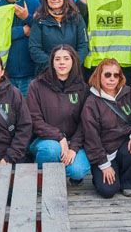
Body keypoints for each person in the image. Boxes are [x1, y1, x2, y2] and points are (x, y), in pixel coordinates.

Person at [81, 59, 131, 198]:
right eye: (107, 75)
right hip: (105, 152)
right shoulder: (91, 102)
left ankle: (129, 183)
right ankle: (107, 174)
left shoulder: (129, 93)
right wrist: (104, 165)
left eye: (116, 75)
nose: (112, 79)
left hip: (125, 146)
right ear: (99, 76)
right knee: (108, 191)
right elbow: (91, 137)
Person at [26, 45, 91, 183]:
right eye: (57, 59)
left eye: (66, 59)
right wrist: (59, 137)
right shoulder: (36, 85)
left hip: (74, 141)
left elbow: (85, 122)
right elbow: (34, 119)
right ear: (52, 62)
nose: (62, 62)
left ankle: (57, 169)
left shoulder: (82, 88)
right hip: (45, 140)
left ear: (73, 61)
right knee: (51, 150)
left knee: (78, 171)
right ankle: (45, 178)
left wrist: (73, 147)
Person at [0, 0, 39, 95]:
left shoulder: (33, 4)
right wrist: (23, 30)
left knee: (28, 107)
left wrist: (27, 17)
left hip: (31, 73)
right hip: (5, 74)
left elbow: (42, 30)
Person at [29, 0, 89, 72]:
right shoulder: (39, 20)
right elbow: (34, 48)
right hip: (47, 72)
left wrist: (71, 64)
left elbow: (83, 46)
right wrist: (54, 64)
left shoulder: (76, 18)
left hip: (74, 71)